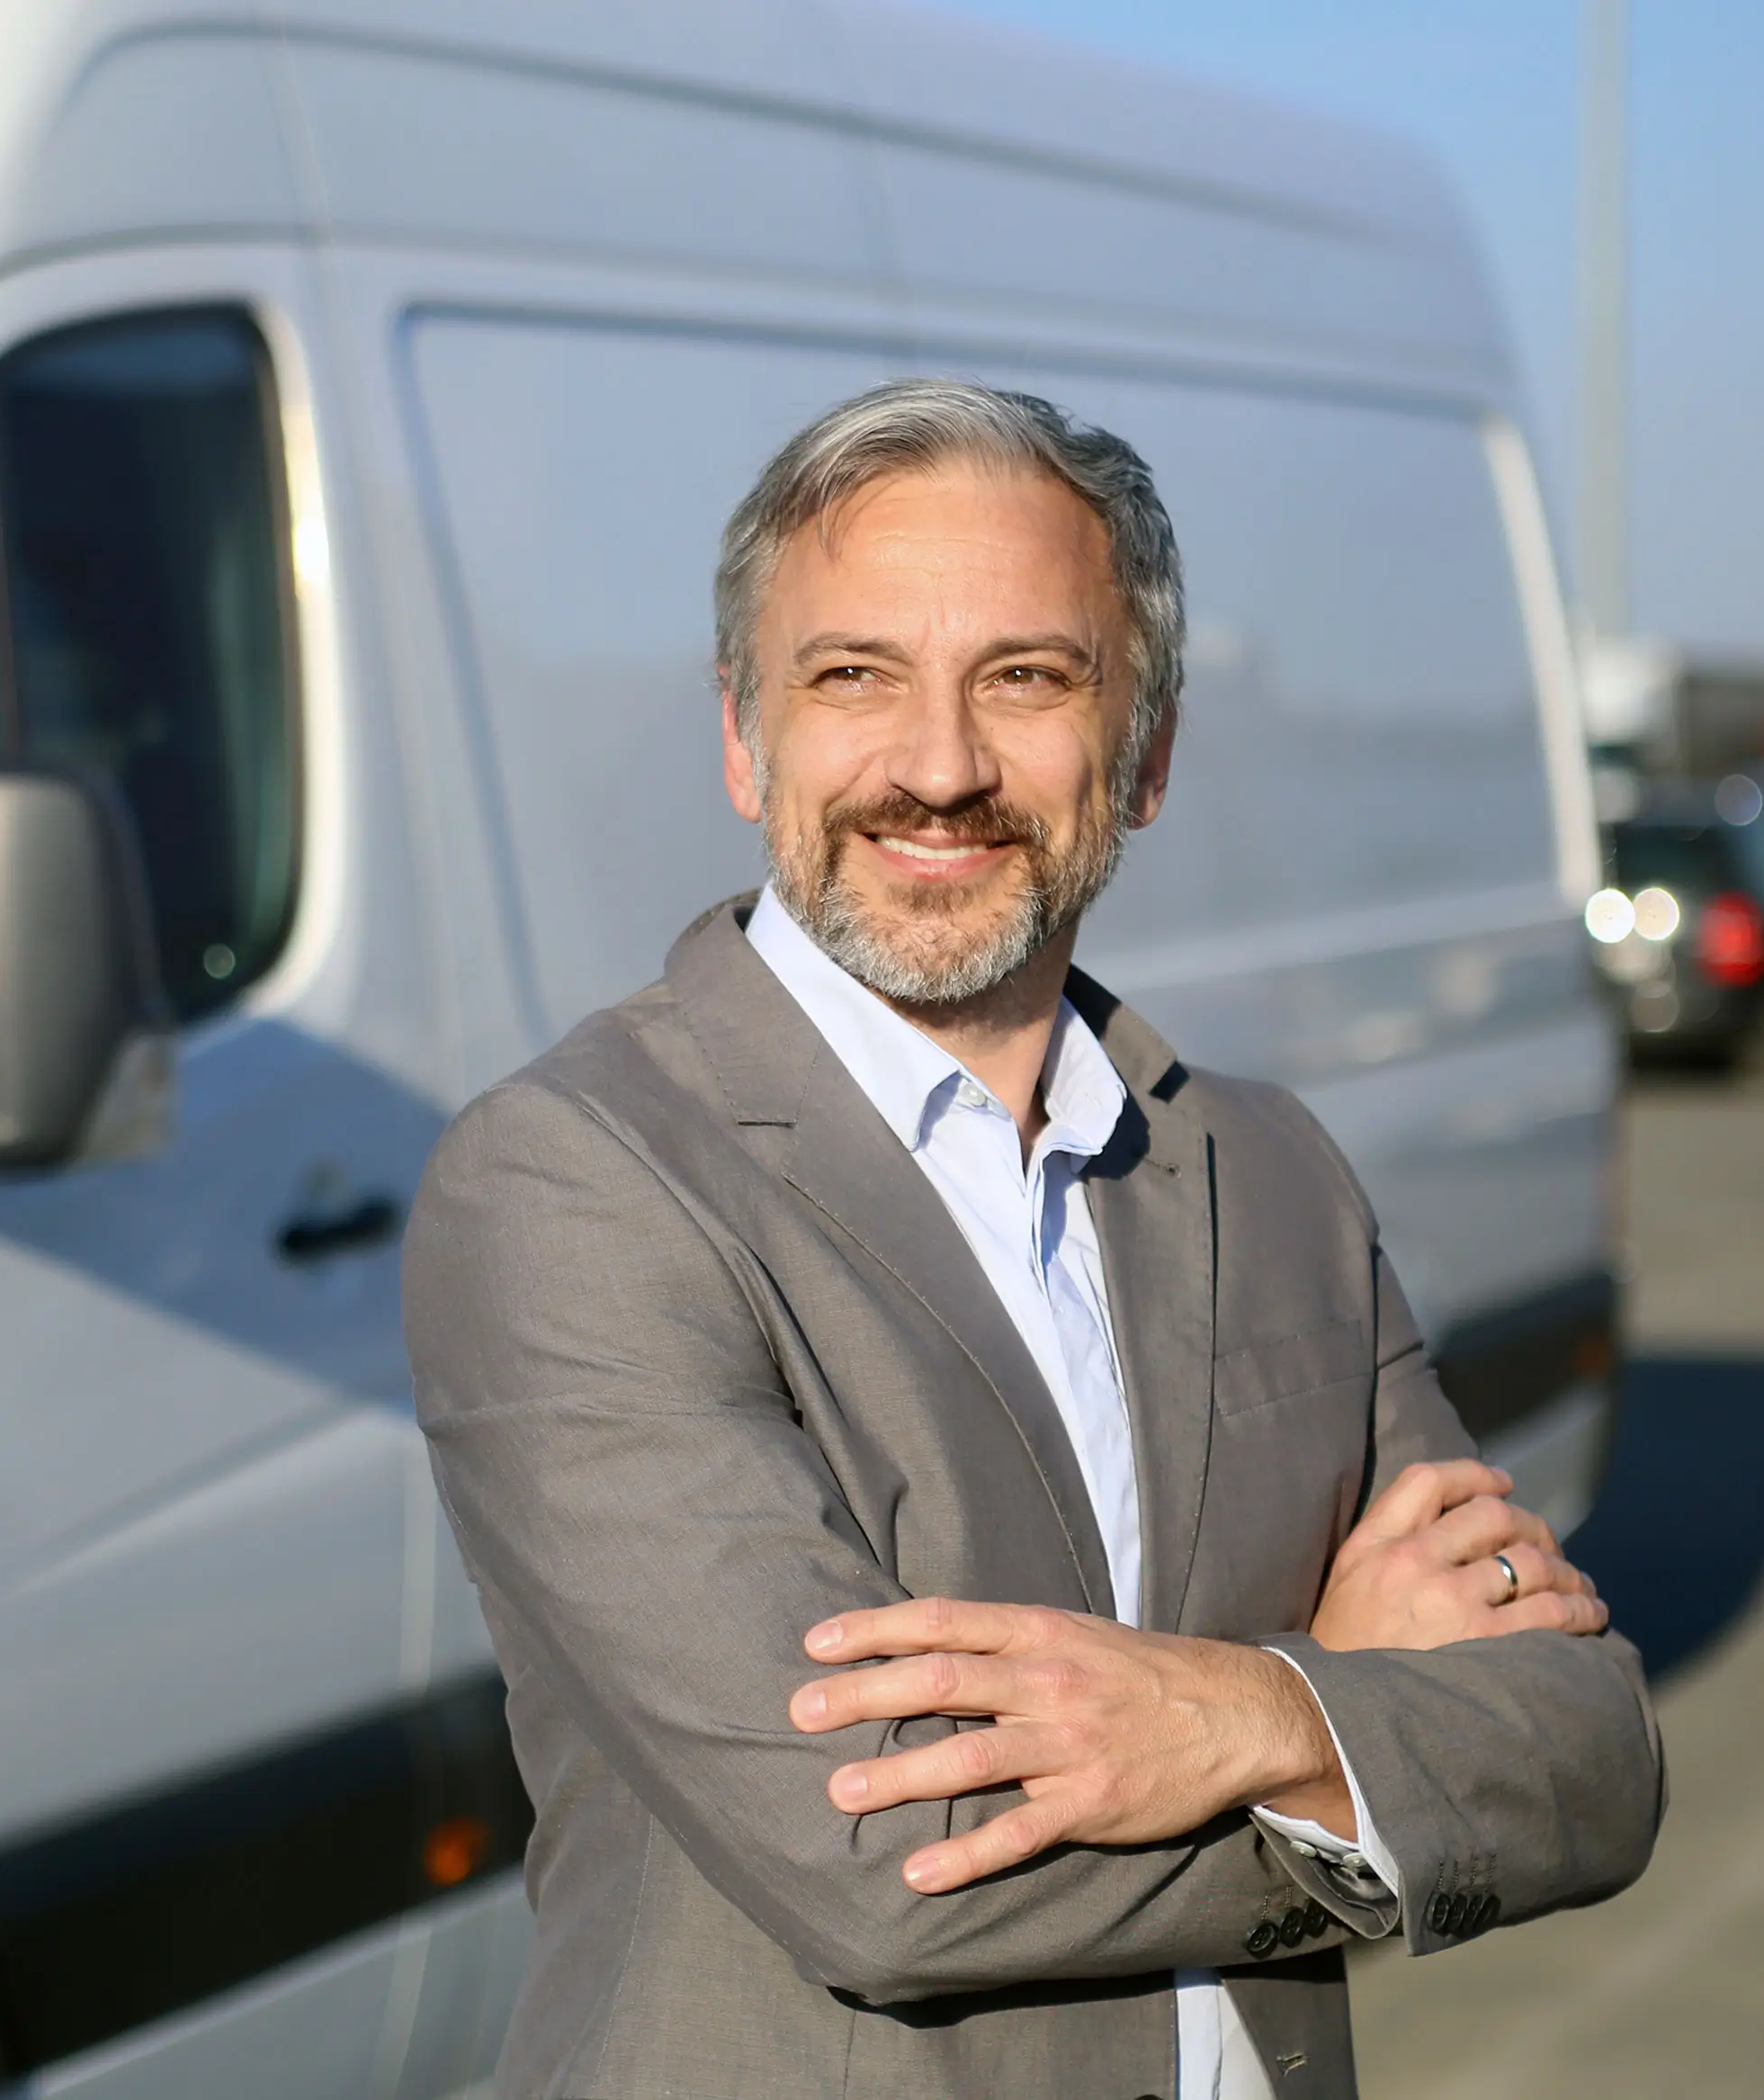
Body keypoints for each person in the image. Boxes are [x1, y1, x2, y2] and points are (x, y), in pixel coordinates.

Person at [403, 381, 1662, 2100]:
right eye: (853, 675)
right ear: (741, 735)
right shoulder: (576, 1184)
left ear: (1143, 751)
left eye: (1028, 676)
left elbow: (1591, 1755)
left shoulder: (1273, 1172)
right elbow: (887, 1870)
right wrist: (1359, 1721)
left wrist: (1257, 1716)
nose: (940, 764)